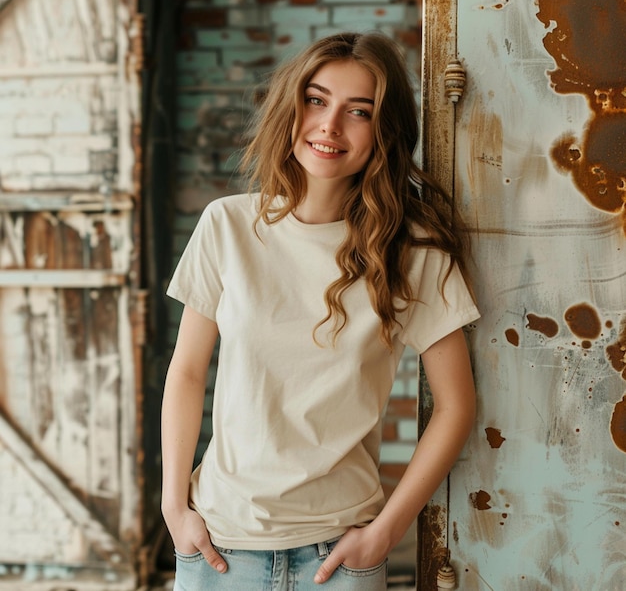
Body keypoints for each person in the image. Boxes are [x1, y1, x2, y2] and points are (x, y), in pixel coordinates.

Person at [161, 31, 480, 590]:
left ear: (384, 130)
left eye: (359, 111)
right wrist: (172, 505)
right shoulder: (227, 225)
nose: (331, 126)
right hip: (220, 545)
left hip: (339, 557)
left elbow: (456, 406)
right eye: (316, 99)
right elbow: (187, 373)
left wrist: (385, 532)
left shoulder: (412, 247)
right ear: (292, 106)